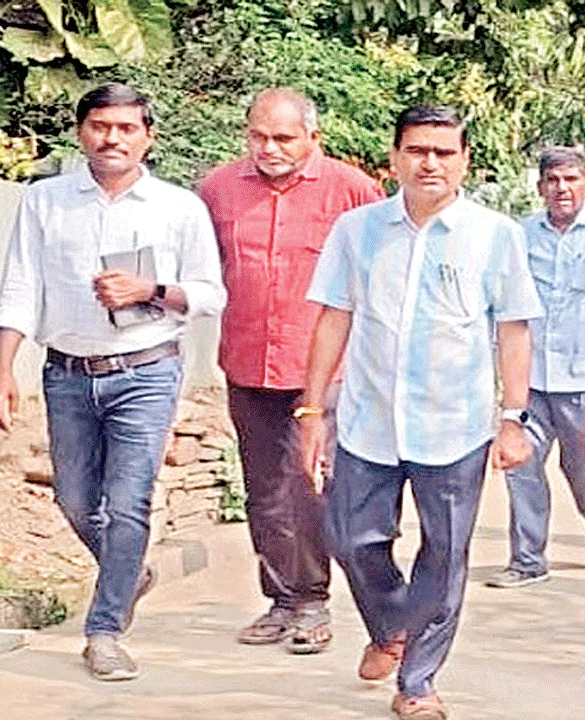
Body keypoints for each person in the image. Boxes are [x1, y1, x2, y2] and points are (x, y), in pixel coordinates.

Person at [298, 105, 543, 720]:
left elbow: (513, 329)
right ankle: (391, 626)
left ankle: (418, 682)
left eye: (443, 152)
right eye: (416, 150)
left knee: (445, 552)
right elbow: (333, 318)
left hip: (455, 426)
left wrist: (513, 417)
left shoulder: (495, 235)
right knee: (351, 539)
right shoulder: (357, 230)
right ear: (395, 159)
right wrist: (312, 411)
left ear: (464, 161)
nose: (429, 163)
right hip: (369, 421)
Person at [0, 83, 227, 681]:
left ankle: (105, 630)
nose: (111, 138)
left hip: (146, 370)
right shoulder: (46, 200)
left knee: (128, 502)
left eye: (125, 128)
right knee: (73, 498)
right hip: (67, 372)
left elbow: (211, 293)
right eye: (99, 126)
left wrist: (151, 290)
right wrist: (1, 370)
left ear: (148, 137)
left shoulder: (178, 207)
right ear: (81, 132)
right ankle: (128, 570)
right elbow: (20, 285)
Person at [196, 88, 384, 654]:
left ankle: (315, 601)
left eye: (283, 138)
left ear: (312, 138)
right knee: (264, 491)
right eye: (258, 136)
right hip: (248, 361)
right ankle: (283, 600)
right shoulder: (217, 190)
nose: (269, 148)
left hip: (327, 371)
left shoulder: (353, 191)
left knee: (311, 486)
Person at [486, 146, 585, 589]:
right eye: (553, 180)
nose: (562, 188)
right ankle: (527, 560)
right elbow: (501, 301)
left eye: (572, 179)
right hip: (531, 379)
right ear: (540, 187)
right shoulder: (520, 235)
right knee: (521, 466)